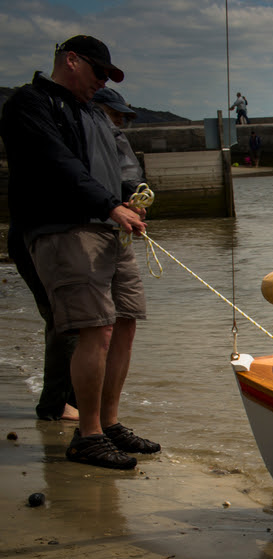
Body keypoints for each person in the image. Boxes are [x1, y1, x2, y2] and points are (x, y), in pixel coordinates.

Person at [0, 35, 157, 469]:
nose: (102, 82)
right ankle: (86, 435)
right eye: (99, 72)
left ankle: (108, 424)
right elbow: (56, 162)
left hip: (109, 230)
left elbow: (116, 168)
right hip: (64, 230)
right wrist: (110, 205)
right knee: (96, 328)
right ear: (71, 61)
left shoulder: (93, 112)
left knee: (125, 321)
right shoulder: (28, 105)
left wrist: (131, 200)